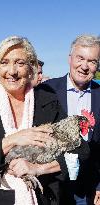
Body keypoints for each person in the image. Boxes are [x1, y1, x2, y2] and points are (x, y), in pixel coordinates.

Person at [0, 36, 89, 205]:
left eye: (20, 63)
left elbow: (82, 152)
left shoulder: (48, 101)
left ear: (31, 68)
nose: (12, 71)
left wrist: (38, 169)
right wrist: (13, 139)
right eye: (4, 62)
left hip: (44, 196)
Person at [45, 34, 100, 205]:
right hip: (52, 184)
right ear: (70, 59)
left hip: (89, 187)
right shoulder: (46, 90)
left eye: (92, 61)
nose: (84, 66)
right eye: (80, 58)